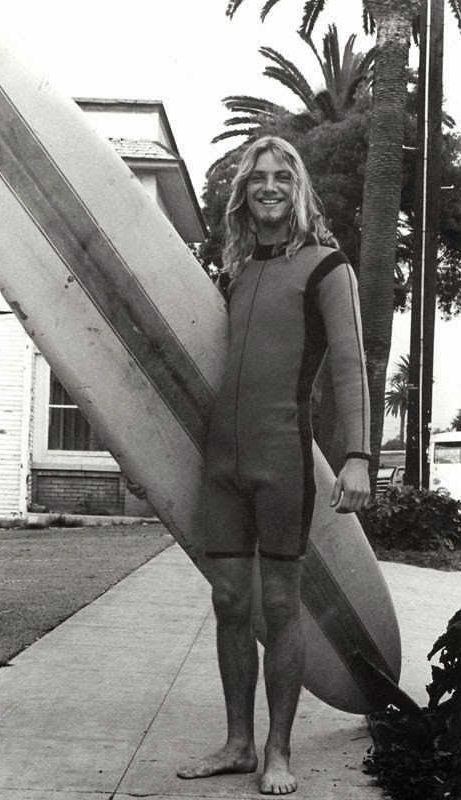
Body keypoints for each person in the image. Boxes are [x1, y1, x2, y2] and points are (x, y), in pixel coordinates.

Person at [174, 135, 372, 795]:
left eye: (281, 179)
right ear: (243, 193)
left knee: (280, 606)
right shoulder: (235, 274)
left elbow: (349, 364)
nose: (268, 187)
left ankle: (278, 751)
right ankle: (237, 742)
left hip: (282, 456)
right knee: (230, 599)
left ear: (298, 191)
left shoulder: (325, 267)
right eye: (257, 178)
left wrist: (358, 458)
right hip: (223, 461)